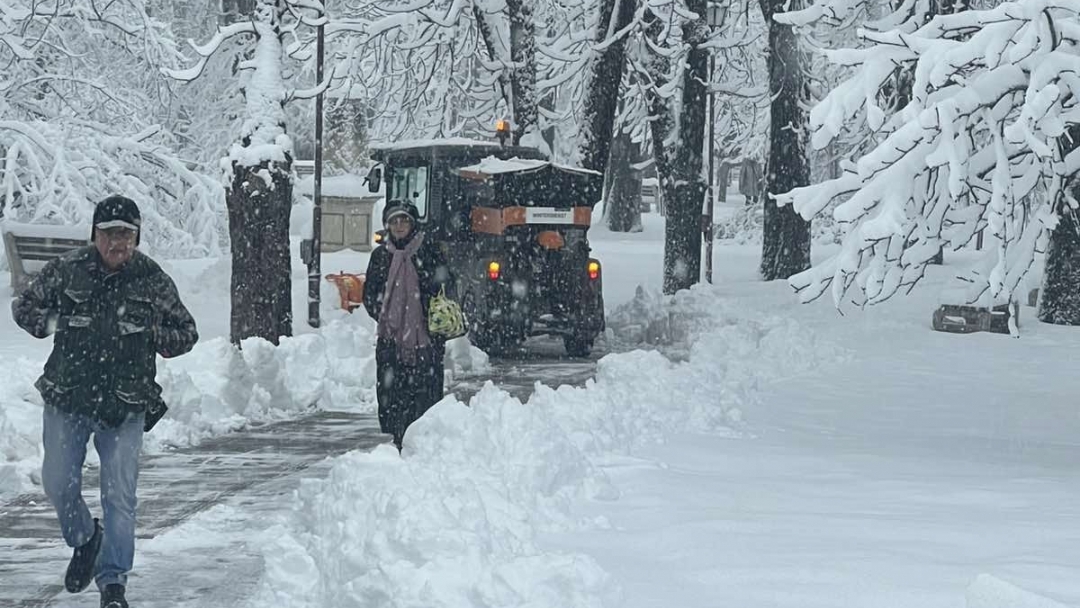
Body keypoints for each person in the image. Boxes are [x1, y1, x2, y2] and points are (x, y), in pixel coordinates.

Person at [12, 195, 199, 608]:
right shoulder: (67, 269)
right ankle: (85, 538)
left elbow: (186, 332)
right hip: (68, 395)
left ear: (137, 238)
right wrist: (56, 322)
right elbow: (24, 307)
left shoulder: (151, 279)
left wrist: (152, 334)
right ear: (94, 235)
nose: (118, 243)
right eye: (109, 234)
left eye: (126, 235)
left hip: (125, 403)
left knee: (119, 496)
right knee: (57, 482)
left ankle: (113, 582)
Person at [363, 200, 453, 450]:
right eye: (394, 221)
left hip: (425, 340)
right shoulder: (380, 256)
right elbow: (370, 293)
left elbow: (446, 288)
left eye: (404, 220)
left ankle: (423, 445)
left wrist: (428, 315)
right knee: (392, 395)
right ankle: (397, 440)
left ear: (413, 224)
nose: (399, 225)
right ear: (387, 225)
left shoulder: (429, 251)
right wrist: (386, 317)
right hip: (391, 341)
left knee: (424, 397)